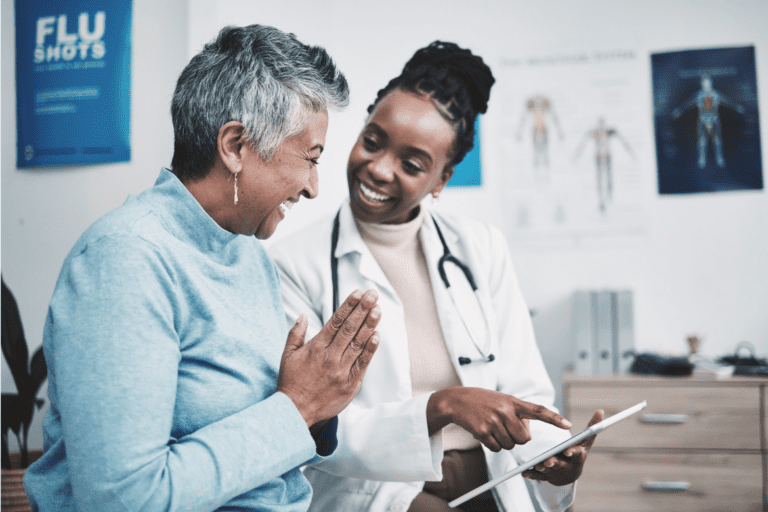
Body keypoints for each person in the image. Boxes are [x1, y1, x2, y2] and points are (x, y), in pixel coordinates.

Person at [24, 25, 382, 512]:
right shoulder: (126, 260)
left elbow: (255, 435)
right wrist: (297, 407)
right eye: (310, 159)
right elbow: (122, 499)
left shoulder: (246, 253)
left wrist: (319, 404)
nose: (313, 187)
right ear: (235, 146)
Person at [268, 41, 604, 512]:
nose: (379, 169)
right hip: (379, 494)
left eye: (411, 164)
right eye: (373, 140)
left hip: (491, 485)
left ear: (441, 180)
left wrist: (549, 457)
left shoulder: (480, 248)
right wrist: (440, 406)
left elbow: (525, 391)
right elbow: (309, 423)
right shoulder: (293, 264)